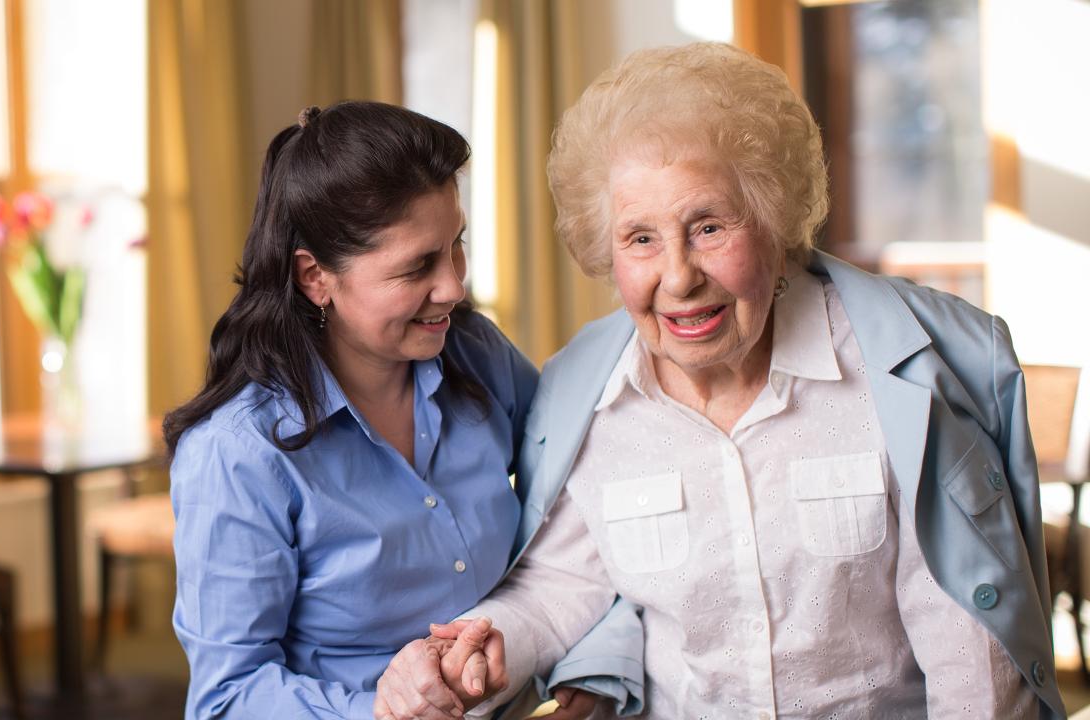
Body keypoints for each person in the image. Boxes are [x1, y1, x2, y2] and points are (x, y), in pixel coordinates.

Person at [378, 42, 1065, 718]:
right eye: (640, 238)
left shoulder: (891, 386)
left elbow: (972, 661)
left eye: (709, 227)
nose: (678, 278)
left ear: (773, 221)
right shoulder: (586, 398)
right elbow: (563, 581)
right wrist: (484, 644)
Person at [165, 101, 643, 720]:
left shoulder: (476, 354)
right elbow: (226, 698)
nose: (454, 287)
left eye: (456, 247)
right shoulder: (237, 452)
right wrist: (378, 711)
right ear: (315, 278)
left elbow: (591, 498)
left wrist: (590, 668)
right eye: (417, 266)